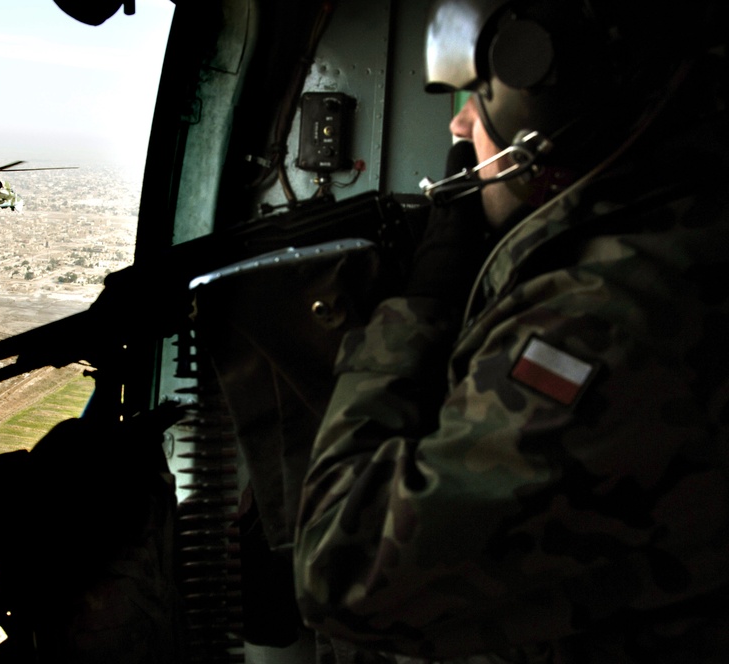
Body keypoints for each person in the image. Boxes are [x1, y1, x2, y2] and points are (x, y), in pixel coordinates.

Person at [293, 0, 729, 662]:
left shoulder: (608, 313)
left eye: (479, 97)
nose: (460, 123)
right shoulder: (669, 231)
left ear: (549, 108)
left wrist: (418, 310)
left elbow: (339, 570)